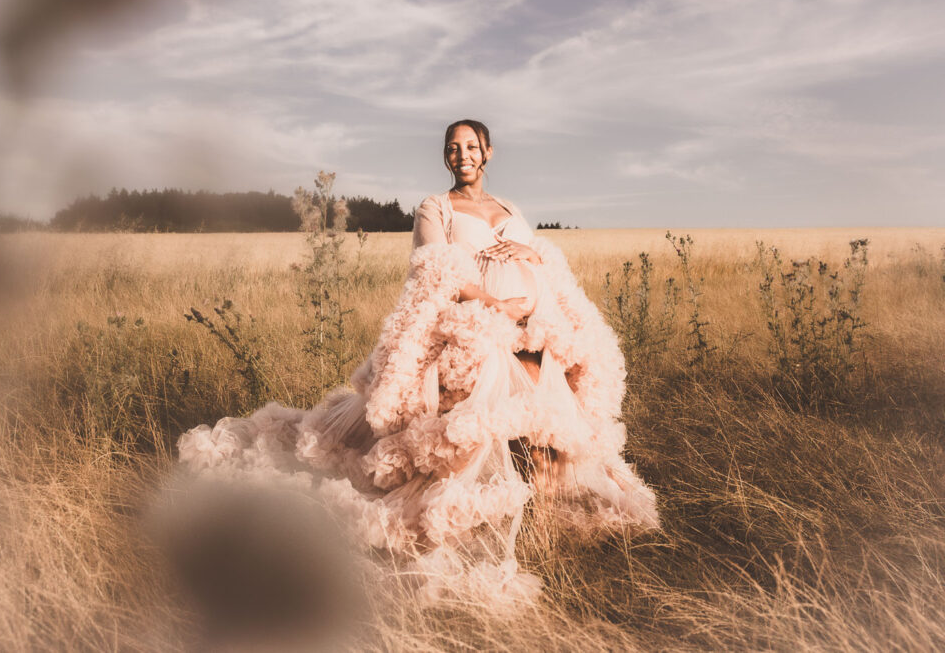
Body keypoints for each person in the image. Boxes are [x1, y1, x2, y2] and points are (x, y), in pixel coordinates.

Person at [177, 119, 660, 609]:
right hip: (476, 324)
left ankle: (545, 527)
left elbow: (538, 262)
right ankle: (486, 517)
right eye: (453, 147)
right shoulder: (436, 207)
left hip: (534, 324)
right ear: (446, 156)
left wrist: (530, 253)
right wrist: (496, 303)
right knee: (496, 405)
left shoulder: (510, 208)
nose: (462, 154)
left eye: (472, 146)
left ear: (488, 152)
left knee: (553, 411)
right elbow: (435, 270)